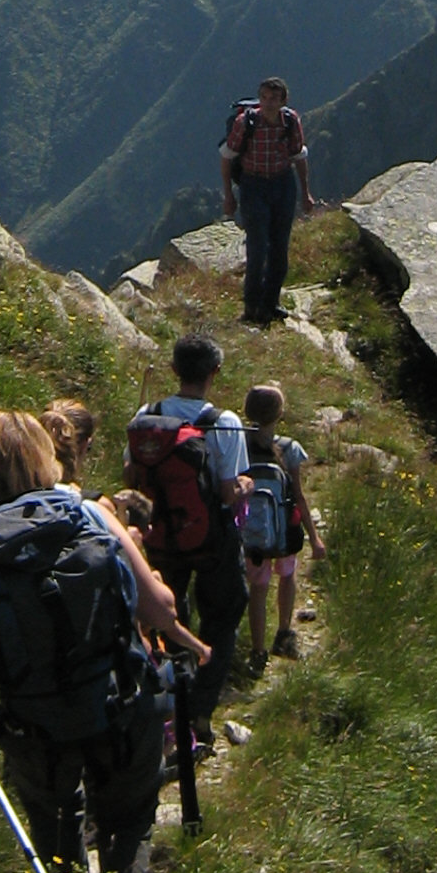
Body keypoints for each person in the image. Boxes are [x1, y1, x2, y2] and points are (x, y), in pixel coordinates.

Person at [0, 410, 201, 873]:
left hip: (33, 722)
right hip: (119, 702)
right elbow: (161, 607)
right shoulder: (86, 513)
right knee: (130, 821)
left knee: (55, 826)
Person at [125, 337, 256, 825]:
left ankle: (165, 709)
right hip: (211, 539)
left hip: (160, 536)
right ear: (214, 373)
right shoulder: (222, 422)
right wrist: (247, 484)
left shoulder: (148, 416)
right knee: (222, 613)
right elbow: (226, 490)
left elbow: (131, 473)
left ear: (174, 368)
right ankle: (200, 713)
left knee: (165, 618)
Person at [216, 76, 310, 330]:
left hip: (283, 184)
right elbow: (226, 157)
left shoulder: (291, 122)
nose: (268, 103)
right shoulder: (245, 123)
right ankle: (252, 306)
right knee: (257, 248)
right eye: (264, 97)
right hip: (253, 186)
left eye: (273, 99)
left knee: (280, 247)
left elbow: (299, 156)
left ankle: (271, 302)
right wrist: (228, 195)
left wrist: (305, 193)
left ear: (283, 101)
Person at [238, 381, 316, 658]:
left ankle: (257, 650)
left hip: (252, 531)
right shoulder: (289, 448)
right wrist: (315, 538)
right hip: (284, 529)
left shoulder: (240, 445)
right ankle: (283, 633)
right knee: (287, 575)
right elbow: (298, 496)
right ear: (280, 414)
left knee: (258, 588)